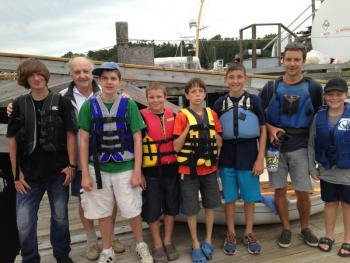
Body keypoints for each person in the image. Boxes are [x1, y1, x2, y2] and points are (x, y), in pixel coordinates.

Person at [79, 62, 153, 263]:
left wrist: (138, 171)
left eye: (113, 78)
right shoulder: (89, 105)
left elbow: (138, 138)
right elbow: (83, 139)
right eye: (105, 78)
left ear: (119, 81)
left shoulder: (129, 105)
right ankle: (107, 248)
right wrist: (85, 173)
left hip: (126, 166)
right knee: (103, 211)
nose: (109, 82)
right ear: (99, 81)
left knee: (132, 209)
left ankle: (140, 244)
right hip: (98, 168)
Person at [7, 58, 77, 263]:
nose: (37, 79)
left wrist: (72, 165)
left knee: (60, 217)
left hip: (58, 172)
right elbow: (11, 141)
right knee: (24, 222)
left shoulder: (62, 101)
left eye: (39, 74)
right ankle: (29, 258)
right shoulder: (19, 104)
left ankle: (62, 255)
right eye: (31, 76)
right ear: (25, 80)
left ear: (45, 76)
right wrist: (16, 174)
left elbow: (71, 134)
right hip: (28, 175)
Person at [259, 42, 323, 248]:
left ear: (303, 62)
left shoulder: (313, 88)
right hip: (275, 147)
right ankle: (286, 228)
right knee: (278, 189)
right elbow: (258, 116)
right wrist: (269, 128)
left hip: (301, 146)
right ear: (283, 60)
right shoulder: (271, 87)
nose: (292, 64)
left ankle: (305, 228)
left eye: (297, 60)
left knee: (303, 190)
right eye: (289, 59)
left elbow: (321, 118)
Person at [61, 57, 125, 260]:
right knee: (85, 201)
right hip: (80, 159)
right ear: (70, 75)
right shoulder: (63, 97)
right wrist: (12, 105)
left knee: (111, 198)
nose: (82, 75)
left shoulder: (107, 91)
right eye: (77, 72)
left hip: (106, 155)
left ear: (92, 73)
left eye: (86, 71)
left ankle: (111, 235)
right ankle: (91, 241)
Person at [213, 63, 267, 255]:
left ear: (245, 78)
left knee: (250, 198)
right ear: (226, 79)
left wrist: (261, 157)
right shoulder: (219, 104)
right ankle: (230, 233)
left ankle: (249, 232)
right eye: (231, 77)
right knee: (229, 198)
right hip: (227, 154)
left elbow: (263, 128)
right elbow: (215, 132)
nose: (235, 81)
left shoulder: (254, 101)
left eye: (239, 76)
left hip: (249, 153)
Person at [173, 78, 222, 263]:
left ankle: (208, 239)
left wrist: (208, 130)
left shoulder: (212, 114)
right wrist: (189, 129)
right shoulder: (182, 116)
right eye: (193, 92)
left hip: (209, 168)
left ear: (205, 94)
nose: (197, 95)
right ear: (187, 95)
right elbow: (177, 147)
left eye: (200, 91)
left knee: (210, 205)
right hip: (188, 170)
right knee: (191, 209)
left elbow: (219, 142)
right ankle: (195, 243)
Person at [308, 78, 350, 257]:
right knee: (330, 203)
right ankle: (329, 235)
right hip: (326, 170)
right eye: (330, 94)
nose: (334, 98)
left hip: (348, 172)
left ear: (346, 95)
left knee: (348, 205)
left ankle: (348, 239)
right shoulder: (319, 117)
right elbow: (311, 143)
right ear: (325, 96)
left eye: (338, 94)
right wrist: (312, 167)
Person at [140, 82, 180, 263]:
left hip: (172, 168)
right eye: (151, 97)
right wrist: (139, 173)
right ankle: (157, 244)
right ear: (146, 98)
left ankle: (168, 240)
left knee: (171, 206)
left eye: (159, 96)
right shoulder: (140, 117)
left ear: (165, 97)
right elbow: (135, 147)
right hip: (150, 171)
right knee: (153, 208)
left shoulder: (175, 115)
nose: (155, 100)